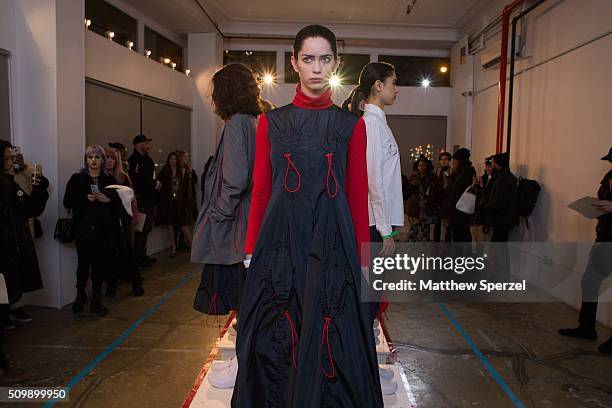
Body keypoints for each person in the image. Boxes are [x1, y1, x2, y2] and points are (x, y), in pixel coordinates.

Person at [232, 25, 382, 406]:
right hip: (281, 242)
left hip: (333, 245)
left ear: (336, 63)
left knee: (330, 332)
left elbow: (356, 197)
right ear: (295, 63)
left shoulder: (353, 126)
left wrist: (367, 264)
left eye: (325, 59)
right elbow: (262, 190)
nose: (316, 68)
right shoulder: (271, 122)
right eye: (308, 59)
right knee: (277, 332)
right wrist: (251, 250)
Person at [191, 63, 260, 327]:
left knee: (238, 293)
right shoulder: (253, 121)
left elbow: (235, 179)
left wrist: (218, 212)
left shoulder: (234, 124)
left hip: (234, 223)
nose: (213, 96)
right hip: (248, 217)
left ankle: (244, 355)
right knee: (247, 291)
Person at [559, 146, 612, 353]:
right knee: (589, 281)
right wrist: (594, 206)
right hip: (605, 238)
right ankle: (587, 327)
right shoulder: (608, 177)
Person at [64, 145, 119, 317]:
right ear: (86, 159)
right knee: (83, 266)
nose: (93, 160)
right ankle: (79, 299)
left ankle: (96, 302)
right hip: (83, 230)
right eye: (90, 157)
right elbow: (67, 201)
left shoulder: (109, 180)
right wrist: (84, 199)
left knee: (98, 267)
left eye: (97, 157)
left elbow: (119, 205)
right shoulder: (77, 179)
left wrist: (107, 199)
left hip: (103, 231)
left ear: (102, 160)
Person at [0, 140, 49, 331]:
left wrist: (39, 188)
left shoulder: (11, 182)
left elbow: (29, 208)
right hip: (5, 246)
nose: (10, 162)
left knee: (12, 283)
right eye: (6, 159)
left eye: (11, 158)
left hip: (14, 243)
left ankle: (8, 311)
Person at [360, 61, 404, 257]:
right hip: (375, 224)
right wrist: (385, 230)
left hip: (380, 222)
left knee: (378, 284)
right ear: (378, 86)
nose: (397, 89)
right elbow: (374, 178)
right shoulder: (371, 124)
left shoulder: (379, 123)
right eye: (393, 83)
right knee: (372, 284)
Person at [104, 147, 144, 297]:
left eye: (112, 158)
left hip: (121, 221)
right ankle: (111, 286)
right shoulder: (100, 177)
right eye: (107, 157)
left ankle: (136, 283)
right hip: (105, 222)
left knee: (126, 253)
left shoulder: (122, 176)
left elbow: (131, 199)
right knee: (108, 255)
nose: (109, 161)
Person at [128, 134, 161, 267]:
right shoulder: (134, 160)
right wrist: (154, 183)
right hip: (141, 202)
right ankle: (137, 259)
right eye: (146, 143)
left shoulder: (146, 159)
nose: (148, 146)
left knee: (146, 229)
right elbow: (137, 180)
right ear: (138, 145)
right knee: (140, 230)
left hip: (149, 200)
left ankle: (142, 255)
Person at [156, 151, 194, 257]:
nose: (172, 161)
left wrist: (187, 202)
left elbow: (187, 189)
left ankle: (193, 249)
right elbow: (159, 183)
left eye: (174, 159)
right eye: (170, 159)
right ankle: (173, 247)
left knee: (183, 225)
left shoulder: (182, 171)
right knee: (170, 225)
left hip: (180, 203)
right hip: (169, 203)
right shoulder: (165, 171)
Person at [478, 153, 518, 242]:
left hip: (501, 219)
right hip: (503, 218)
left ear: (497, 164)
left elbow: (498, 203)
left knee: (498, 245)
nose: (491, 166)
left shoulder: (502, 180)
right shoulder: (507, 177)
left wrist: (483, 206)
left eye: (493, 163)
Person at [406, 156, 441, 242]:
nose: (421, 167)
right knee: (413, 231)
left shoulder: (432, 178)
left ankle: (424, 252)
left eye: (423, 165)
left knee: (426, 232)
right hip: (416, 209)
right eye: (419, 165)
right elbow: (409, 193)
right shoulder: (415, 177)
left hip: (427, 209)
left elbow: (436, 193)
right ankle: (411, 251)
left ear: (427, 166)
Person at [444, 147, 476, 242]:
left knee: (460, 234)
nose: (453, 162)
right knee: (460, 233)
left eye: (455, 159)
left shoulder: (465, 172)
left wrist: (449, 178)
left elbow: (455, 187)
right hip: (458, 207)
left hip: (460, 208)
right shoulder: (464, 171)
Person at [434, 151, 452, 242]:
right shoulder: (437, 171)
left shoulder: (452, 170)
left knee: (447, 223)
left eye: (445, 159)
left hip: (447, 199)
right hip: (438, 199)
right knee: (437, 223)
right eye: (441, 159)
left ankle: (447, 241)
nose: (443, 161)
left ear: (449, 160)